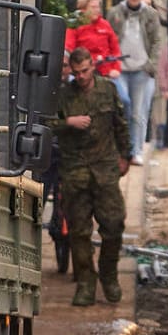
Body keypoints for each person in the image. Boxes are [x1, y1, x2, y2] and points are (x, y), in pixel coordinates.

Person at [52, 47, 130, 307]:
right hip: (75, 169)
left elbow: (120, 123)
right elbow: (47, 123)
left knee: (114, 224)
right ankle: (86, 282)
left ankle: (109, 275)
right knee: (78, 230)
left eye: (85, 71)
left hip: (105, 166)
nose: (81, 77)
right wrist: (68, 123)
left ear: (92, 67)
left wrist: (125, 155)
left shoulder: (108, 89)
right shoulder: (64, 95)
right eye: (76, 73)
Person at [107, 0, 165, 164]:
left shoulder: (151, 14)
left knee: (138, 113)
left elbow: (157, 41)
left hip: (142, 70)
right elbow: (108, 38)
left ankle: (136, 150)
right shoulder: (115, 12)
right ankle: (121, 149)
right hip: (120, 70)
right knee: (122, 108)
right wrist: (110, 65)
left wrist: (151, 65)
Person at [64, 0, 126, 108]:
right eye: (93, 7)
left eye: (98, 7)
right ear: (83, 9)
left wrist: (116, 69)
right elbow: (69, 48)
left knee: (125, 100)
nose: (97, 10)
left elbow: (115, 50)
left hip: (106, 72)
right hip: (81, 71)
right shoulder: (75, 25)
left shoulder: (105, 25)